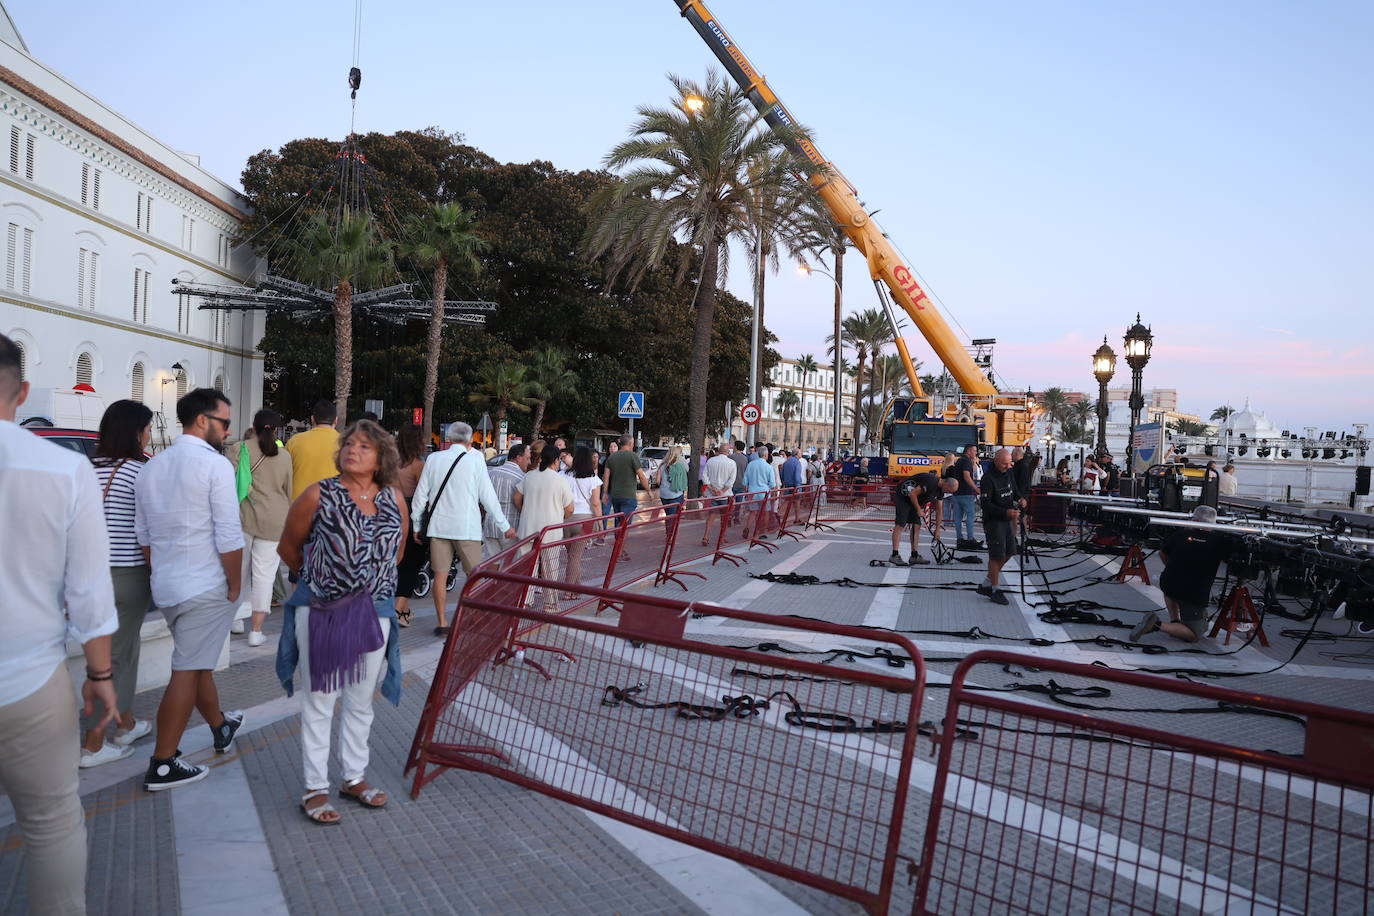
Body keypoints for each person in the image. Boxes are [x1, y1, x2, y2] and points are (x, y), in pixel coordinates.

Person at [0, 333, 120, 913]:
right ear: (22, 392)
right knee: (50, 824)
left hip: (30, 675)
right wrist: (100, 675)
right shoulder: (62, 469)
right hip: (29, 680)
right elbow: (89, 591)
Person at [276, 420, 407, 824]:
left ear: (381, 456)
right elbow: (288, 548)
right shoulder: (319, 494)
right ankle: (315, 788)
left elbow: (396, 554)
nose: (352, 450)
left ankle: (354, 777)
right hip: (323, 612)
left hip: (373, 613)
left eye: (364, 446)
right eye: (349, 443)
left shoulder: (394, 499)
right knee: (319, 701)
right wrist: (324, 580)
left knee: (359, 700)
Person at [136, 388, 246, 790]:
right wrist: (236, 585)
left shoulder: (152, 467)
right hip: (204, 584)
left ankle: (220, 726)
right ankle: (164, 761)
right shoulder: (214, 466)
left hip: (167, 586)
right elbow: (228, 535)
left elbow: (144, 536)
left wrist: (164, 570)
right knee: (187, 669)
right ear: (202, 420)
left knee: (195, 662)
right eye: (225, 423)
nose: (228, 432)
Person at [77, 400, 156, 768]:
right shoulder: (141, 472)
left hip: (87, 576)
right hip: (127, 576)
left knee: (117, 652)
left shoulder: (84, 468)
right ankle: (94, 744)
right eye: (147, 428)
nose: (150, 435)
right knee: (117, 660)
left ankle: (126, 724)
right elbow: (148, 531)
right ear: (136, 433)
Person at [412, 422, 515, 636]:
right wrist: (504, 525)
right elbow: (488, 497)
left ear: (448, 438)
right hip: (466, 529)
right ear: (470, 441)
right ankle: (474, 618)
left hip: (439, 528)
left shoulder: (433, 459)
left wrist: (416, 524)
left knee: (439, 576)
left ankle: (442, 622)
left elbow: (421, 495)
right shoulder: (475, 462)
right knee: (474, 576)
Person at [230, 409, 293, 647]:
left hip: (243, 518)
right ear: (276, 430)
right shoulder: (285, 456)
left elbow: (228, 483)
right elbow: (289, 491)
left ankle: (236, 620)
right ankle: (256, 631)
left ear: (254, 426)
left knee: (240, 571)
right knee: (265, 575)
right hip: (275, 520)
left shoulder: (239, 448)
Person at [1131, 505, 1230, 644]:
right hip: (1193, 593)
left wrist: (1173, 568)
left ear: (1194, 520)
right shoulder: (1219, 541)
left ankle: (1174, 621)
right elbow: (1230, 560)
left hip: (1169, 584)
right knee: (1195, 634)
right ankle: (1157, 625)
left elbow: (1162, 553)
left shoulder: (1180, 534)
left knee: (1169, 586)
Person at [514, 444, 575, 610]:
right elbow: (570, 508)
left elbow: (517, 497)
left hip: (527, 530)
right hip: (550, 531)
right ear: (555, 461)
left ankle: (525, 601)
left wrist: (525, 512)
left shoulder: (529, 476)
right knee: (550, 569)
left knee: (527, 568)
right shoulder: (560, 480)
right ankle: (550, 604)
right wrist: (560, 517)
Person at [977, 448, 1025, 606]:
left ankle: (986, 583)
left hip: (1007, 519)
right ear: (996, 461)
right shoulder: (987, 479)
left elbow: (1014, 490)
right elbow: (986, 504)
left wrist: (1021, 499)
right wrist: (1006, 512)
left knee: (1010, 552)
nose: (1007, 466)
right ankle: (995, 589)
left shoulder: (1009, 472)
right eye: (1004, 463)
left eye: (1009, 463)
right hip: (994, 521)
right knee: (996, 555)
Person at [392, 424, 428, 627]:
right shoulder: (417, 465)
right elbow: (422, 496)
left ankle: (404, 610)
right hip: (410, 514)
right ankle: (399, 610)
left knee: (397, 562)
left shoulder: (389, 462)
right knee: (412, 563)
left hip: (389, 514)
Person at [889, 472, 958, 566]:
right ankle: (894, 555)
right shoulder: (931, 482)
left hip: (914, 500)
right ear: (946, 484)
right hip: (904, 496)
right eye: (949, 491)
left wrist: (937, 530)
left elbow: (939, 510)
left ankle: (914, 555)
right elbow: (912, 494)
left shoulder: (941, 491)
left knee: (917, 525)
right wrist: (918, 509)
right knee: (900, 524)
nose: (949, 493)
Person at [563, 446, 603, 590]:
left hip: (565, 519)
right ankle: (568, 590)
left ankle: (576, 589)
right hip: (585, 520)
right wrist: (600, 524)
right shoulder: (594, 479)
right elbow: (596, 504)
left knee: (572, 556)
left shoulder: (564, 475)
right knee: (575, 557)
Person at [286, 400, 341, 500]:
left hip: (299, 504)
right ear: (336, 420)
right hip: (332, 505)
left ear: (312, 419)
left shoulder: (294, 441)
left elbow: (285, 474)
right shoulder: (345, 443)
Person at [484, 443, 530, 559]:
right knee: (508, 565)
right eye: (527, 458)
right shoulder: (521, 478)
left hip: (490, 525)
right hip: (510, 527)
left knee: (492, 561)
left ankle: (492, 578)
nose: (529, 462)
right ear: (518, 458)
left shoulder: (491, 473)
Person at [602, 434, 652, 524]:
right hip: (628, 496)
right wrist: (649, 491)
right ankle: (622, 538)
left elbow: (606, 477)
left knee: (618, 522)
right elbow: (641, 476)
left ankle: (618, 538)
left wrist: (605, 493)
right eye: (633, 443)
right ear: (630, 443)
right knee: (625, 525)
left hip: (615, 496)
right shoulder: (633, 456)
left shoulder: (611, 457)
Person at [950, 444, 981, 549]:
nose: (976, 453)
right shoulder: (967, 461)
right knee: (970, 515)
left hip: (956, 492)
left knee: (958, 517)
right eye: (974, 451)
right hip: (966, 492)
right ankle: (970, 539)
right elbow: (967, 476)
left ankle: (959, 539)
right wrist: (976, 488)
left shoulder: (959, 460)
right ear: (968, 451)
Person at [742, 445, 777, 538]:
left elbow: (745, 481)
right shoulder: (769, 467)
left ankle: (747, 528)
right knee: (765, 512)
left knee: (753, 512)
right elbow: (772, 484)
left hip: (752, 493)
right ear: (766, 455)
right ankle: (762, 531)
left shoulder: (751, 464)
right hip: (764, 493)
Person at [656, 446, 688, 515]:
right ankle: (672, 526)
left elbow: (657, 481)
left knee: (668, 515)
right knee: (674, 517)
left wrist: (663, 485)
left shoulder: (662, 465)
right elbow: (686, 471)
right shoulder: (680, 466)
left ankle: (669, 526)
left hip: (664, 494)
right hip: (676, 494)